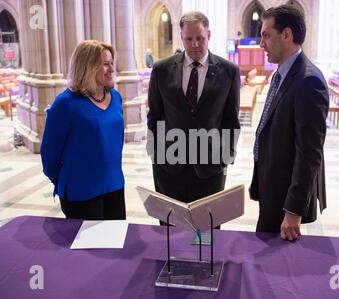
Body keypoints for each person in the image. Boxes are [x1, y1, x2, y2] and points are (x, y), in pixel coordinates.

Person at [147, 11, 240, 225]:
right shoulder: (161, 70)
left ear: (209, 35)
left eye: (200, 38)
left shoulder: (229, 71)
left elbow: (230, 120)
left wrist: (225, 156)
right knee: (171, 230)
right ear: (181, 37)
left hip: (210, 167)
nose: (195, 44)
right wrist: (156, 154)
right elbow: (155, 116)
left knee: (206, 231)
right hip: (169, 166)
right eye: (189, 39)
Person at [249, 5, 329, 240]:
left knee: (276, 268)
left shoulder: (308, 81)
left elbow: (309, 153)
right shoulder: (282, 74)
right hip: (272, 189)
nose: (261, 43)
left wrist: (293, 210)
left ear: (286, 35)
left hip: (285, 198)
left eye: (266, 35)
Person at [41, 40, 126, 220]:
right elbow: (49, 155)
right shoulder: (65, 104)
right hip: (81, 191)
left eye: (112, 63)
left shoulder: (116, 98)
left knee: (116, 244)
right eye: (105, 64)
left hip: (115, 184)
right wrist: (66, 181)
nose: (112, 69)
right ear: (87, 67)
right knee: (90, 248)